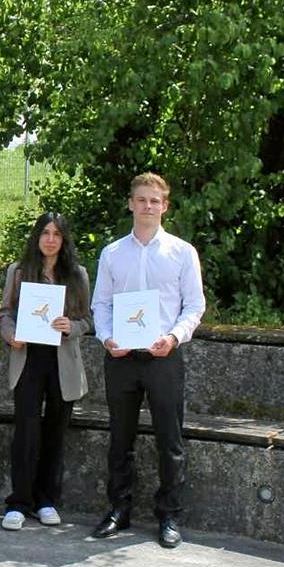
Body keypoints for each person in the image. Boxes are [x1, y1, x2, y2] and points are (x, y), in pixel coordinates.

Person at [90, 172, 206, 548]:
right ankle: (119, 510)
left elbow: (194, 305)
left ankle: (169, 515)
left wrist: (173, 337)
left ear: (165, 206)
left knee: (169, 440)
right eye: (141, 199)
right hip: (121, 358)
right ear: (130, 203)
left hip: (164, 358)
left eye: (154, 201)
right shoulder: (112, 253)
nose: (147, 206)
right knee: (119, 439)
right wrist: (107, 337)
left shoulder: (182, 252)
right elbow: (101, 304)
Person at [0, 212, 90, 531]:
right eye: (45, 233)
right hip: (28, 359)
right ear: (37, 236)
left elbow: (87, 322)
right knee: (25, 432)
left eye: (57, 234)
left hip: (62, 363)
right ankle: (19, 502)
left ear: (64, 241)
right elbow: (5, 314)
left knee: (55, 433)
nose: (50, 239)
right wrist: (11, 335)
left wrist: (71, 326)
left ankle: (46, 500)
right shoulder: (19, 272)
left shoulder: (77, 274)